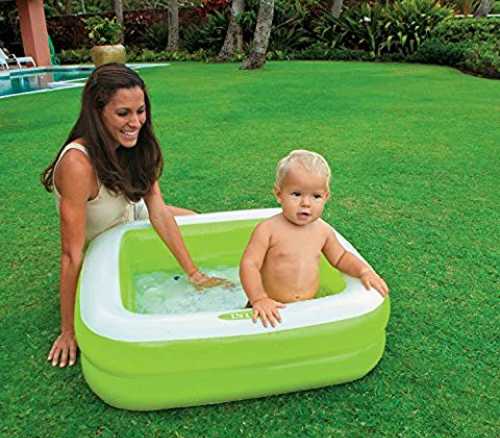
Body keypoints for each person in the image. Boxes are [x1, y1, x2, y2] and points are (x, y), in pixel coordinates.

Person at [42, 63, 226, 368]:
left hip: (130, 214)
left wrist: (195, 274)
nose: (135, 122)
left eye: (140, 111)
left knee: (194, 220)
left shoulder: (138, 146)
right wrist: (68, 330)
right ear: (97, 112)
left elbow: (158, 211)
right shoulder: (78, 164)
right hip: (101, 243)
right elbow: (71, 254)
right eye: (123, 113)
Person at [240, 149, 389, 328]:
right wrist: (259, 298)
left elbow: (341, 257)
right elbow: (250, 264)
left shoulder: (323, 231)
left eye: (316, 196)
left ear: (326, 197)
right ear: (279, 194)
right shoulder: (268, 230)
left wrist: (364, 271)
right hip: (268, 307)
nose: (306, 203)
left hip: (306, 307)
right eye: (296, 194)